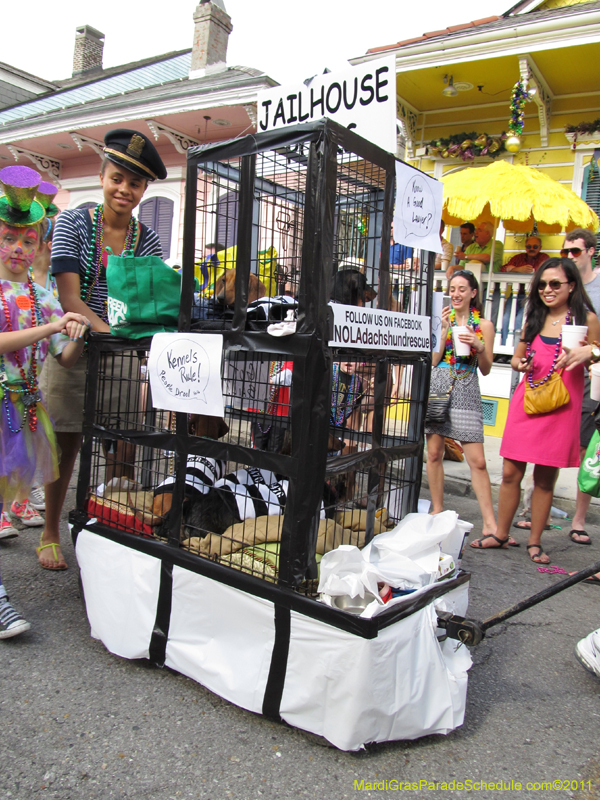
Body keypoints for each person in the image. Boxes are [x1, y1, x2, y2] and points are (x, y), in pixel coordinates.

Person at [42, 129, 166, 570]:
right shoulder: (73, 223)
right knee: (66, 442)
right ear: (101, 176)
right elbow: (70, 298)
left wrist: (130, 336)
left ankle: (115, 531)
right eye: (117, 178)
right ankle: (51, 530)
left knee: (124, 447)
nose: (124, 190)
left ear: (144, 190)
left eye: (134, 184)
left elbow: (144, 304)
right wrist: (113, 331)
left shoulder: (148, 240)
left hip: (119, 353)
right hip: (74, 346)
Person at [471, 258, 600, 563]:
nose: (547, 289)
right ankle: (500, 534)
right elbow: (516, 359)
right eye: (542, 284)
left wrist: (590, 350)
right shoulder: (534, 317)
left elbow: (597, 351)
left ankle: (535, 541)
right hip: (527, 401)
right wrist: (521, 363)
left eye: (555, 283)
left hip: (562, 406)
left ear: (571, 285)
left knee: (545, 478)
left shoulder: (587, 319)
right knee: (510, 473)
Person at [0, 164, 90, 556]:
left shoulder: (44, 298)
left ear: (39, 247)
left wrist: (78, 332)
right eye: (9, 238)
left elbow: (66, 359)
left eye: (28, 240)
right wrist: (52, 329)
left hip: (26, 413)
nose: (19, 248)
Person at [425, 270, 504, 542]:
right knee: (434, 453)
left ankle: (490, 524)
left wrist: (478, 345)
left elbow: (486, 369)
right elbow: (434, 362)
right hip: (438, 384)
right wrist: (444, 331)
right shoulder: (441, 321)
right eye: (453, 288)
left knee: (478, 460)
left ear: (473, 293)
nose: (456, 294)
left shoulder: (485, 325)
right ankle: (437, 509)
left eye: (462, 289)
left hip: (467, 384)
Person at [559, 228, 600, 546]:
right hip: (558, 375)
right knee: (553, 442)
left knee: (587, 450)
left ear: (590, 252)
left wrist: (593, 351)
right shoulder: (562, 284)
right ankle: (536, 510)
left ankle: (578, 519)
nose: (569, 257)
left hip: (591, 377)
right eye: (565, 252)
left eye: (575, 252)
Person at [500, 235, 549, 345]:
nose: (531, 249)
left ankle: (515, 348)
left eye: (535, 246)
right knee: (506, 318)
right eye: (529, 246)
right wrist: (518, 269)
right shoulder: (518, 258)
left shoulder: (544, 258)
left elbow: (547, 271)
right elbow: (503, 269)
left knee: (519, 319)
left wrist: (534, 270)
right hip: (515, 295)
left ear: (540, 247)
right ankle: (503, 348)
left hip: (532, 296)